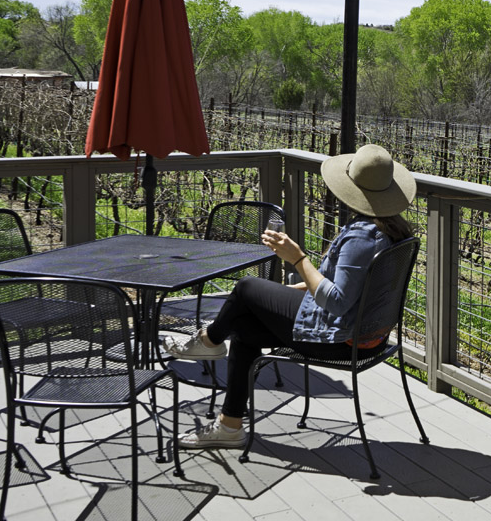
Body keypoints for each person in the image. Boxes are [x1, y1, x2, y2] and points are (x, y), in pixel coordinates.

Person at [164, 143, 416, 449]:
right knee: (244, 328)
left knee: (246, 286)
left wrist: (297, 259)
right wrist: (286, 292)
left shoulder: (361, 237)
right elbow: (348, 288)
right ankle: (229, 426)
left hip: (341, 340)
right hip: (367, 337)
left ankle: (208, 341)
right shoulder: (393, 231)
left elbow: (336, 301)